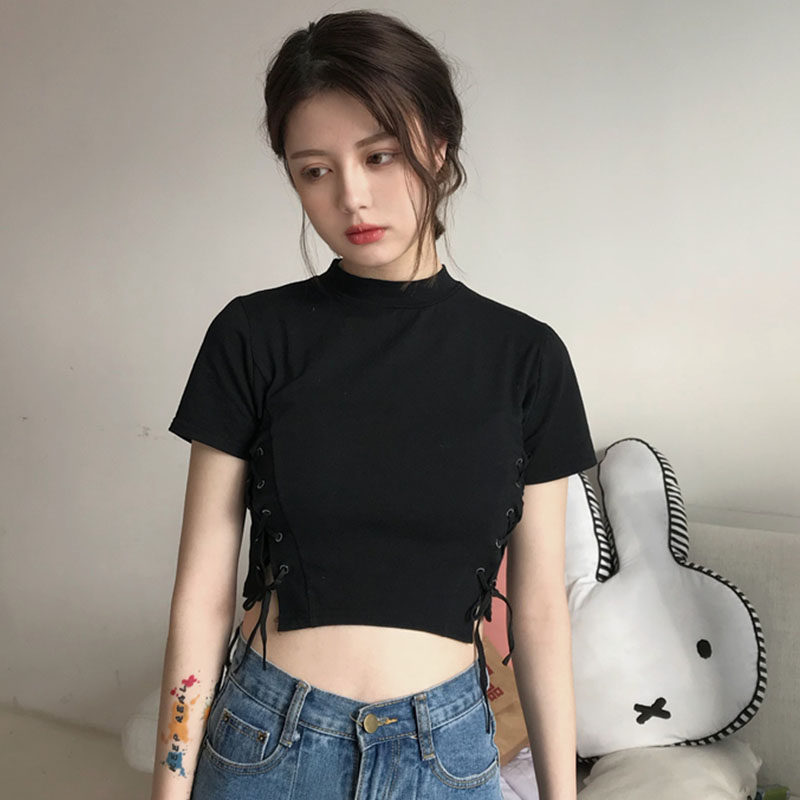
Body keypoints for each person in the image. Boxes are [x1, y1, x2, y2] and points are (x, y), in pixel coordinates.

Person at [150, 10, 597, 800]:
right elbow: (202, 595)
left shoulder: (526, 358)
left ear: (438, 145)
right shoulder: (253, 335)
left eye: (379, 156)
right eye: (314, 171)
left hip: (448, 752)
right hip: (268, 744)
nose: (351, 197)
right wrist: (169, 788)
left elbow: (539, 617)